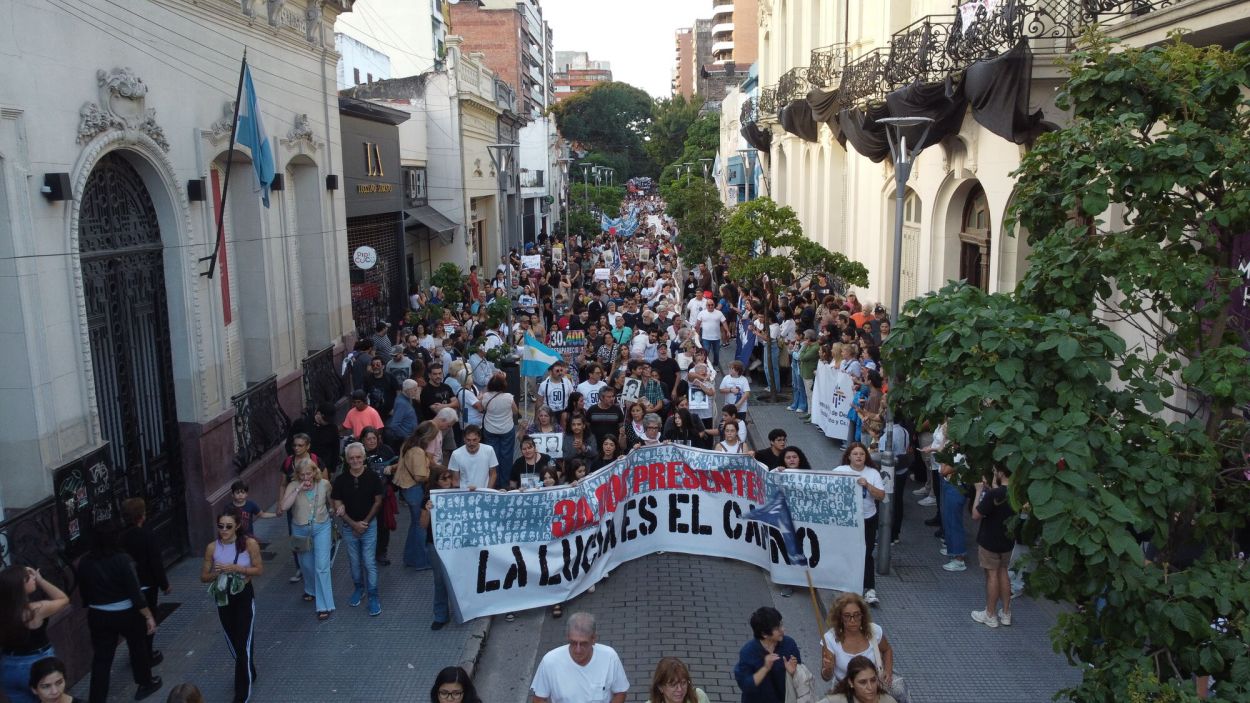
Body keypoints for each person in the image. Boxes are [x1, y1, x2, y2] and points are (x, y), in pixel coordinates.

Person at [77, 520, 161, 702]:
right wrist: (148, 616)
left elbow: (83, 590)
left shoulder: (85, 563)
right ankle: (145, 683)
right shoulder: (122, 560)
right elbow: (135, 592)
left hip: (98, 614)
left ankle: (97, 698)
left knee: (101, 659)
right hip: (127, 613)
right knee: (137, 647)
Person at [199, 509, 262, 703]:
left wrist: (236, 568)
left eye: (228, 526)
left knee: (243, 644)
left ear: (237, 526)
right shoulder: (212, 548)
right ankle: (248, 667)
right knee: (234, 642)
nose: (224, 530)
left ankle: (242, 694)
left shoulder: (249, 544)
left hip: (243, 596)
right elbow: (203, 577)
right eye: (220, 526)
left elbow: (259, 570)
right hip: (223, 598)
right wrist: (218, 573)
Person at [1, 566, 71, 703]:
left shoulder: (3, 612)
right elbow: (63, 599)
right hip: (39, 663)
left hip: (8, 666)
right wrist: (41, 580)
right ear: (19, 586)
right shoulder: (36, 610)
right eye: (28, 578)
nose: (33, 579)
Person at [332, 442, 384, 617]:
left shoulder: (373, 477)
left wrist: (364, 523)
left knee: (369, 562)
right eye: (351, 458)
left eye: (358, 457)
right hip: (349, 527)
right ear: (347, 460)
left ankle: (373, 596)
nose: (355, 460)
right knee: (354, 562)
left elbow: (378, 501)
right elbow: (337, 503)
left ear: (364, 458)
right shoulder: (340, 480)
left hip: (369, 526)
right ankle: (359, 589)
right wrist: (353, 524)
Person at [280, 457, 335, 621]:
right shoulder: (293, 486)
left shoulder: (324, 484)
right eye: (302, 474)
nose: (306, 478)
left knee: (322, 566)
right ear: (297, 474)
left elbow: (332, 503)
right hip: (300, 530)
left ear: (314, 472)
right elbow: (284, 507)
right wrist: (298, 490)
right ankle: (311, 589)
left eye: (308, 474)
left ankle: (325, 604)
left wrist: (335, 509)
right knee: (306, 565)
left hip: (321, 527)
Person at [819, 594, 903, 702]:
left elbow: (887, 650)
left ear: (862, 615)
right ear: (840, 617)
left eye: (857, 615)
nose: (852, 620)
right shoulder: (830, 640)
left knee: (899, 690)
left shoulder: (874, 630)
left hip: (875, 683)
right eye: (847, 616)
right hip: (846, 688)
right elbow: (826, 677)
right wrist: (828, 670)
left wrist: (888, 670)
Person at [531, 612, 629, 703]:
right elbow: (538, 699)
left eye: (583, 644)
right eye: (573, 643)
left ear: (594, 639)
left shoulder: (610, 657)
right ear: (568, 637)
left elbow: (620, 692)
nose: (578, 650)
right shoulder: (550, 661)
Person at [120, 498, 170, 666]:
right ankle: (146, 654)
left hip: (129, 587)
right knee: (149, 620)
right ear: (142, 516)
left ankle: (136, 652)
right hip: (147, 584)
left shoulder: (121, 537)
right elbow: (155, 561)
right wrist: (164, 584)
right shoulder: (146, 535)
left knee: (134, 622)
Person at [835, 443, 886, 606]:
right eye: (855, 454)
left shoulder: (872, 473)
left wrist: (867, 485)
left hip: (867, 519)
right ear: (848, 456)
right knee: (847, 553)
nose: (858, 457)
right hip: (847, 521)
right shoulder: (840, 471)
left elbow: (881, 496)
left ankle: (869, 588)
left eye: (862, 454)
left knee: (866, 553)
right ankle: (847, 586)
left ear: (866, 457)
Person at [971, 465, 1016, 628]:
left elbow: (976, 514)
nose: (994, 473)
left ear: (1002, 473)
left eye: (996, 471)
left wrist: (978, 492)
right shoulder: (1015, 493)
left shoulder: (993, 495)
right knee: (1004, 572)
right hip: (1007, 540)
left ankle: (990, 614)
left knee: (992, 575)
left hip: (989, 540)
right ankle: (1005, 613)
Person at [733, 606, 803, 703]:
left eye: (781, 624)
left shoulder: (789, 644)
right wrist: (765, 668)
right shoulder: (748, 652)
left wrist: (793, 672)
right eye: (777, 628)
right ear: (764, 634)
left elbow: (800, 675)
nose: (783, 629)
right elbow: (746, 686)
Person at [396, 422, 439, 570]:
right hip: (415, 489)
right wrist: (430, 474)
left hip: (406, 488)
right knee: (421, 525)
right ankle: (421, 561)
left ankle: (410, 557)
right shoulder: (418, 451)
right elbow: (420, 476)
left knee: (414, 524)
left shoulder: (408, 444)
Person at [420, 468, 457, 630]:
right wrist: (427, 510)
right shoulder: (428, 499)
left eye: (449, 478)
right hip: (435, 544)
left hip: (456, 544)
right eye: (444, 479)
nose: (448, 482)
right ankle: (441, 615)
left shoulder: (458, 495)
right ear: (436, 481)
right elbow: (422, 525)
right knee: (440, 579)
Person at [475, 373, 517, 489]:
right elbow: (515, 411)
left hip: (490, 429)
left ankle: (494, 483)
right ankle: (505, 483)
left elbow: (482, 409)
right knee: (507, 457)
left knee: (492, 457)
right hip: (507, 429)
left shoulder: (486, 396)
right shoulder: (509, 397)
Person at [816, 656, 898, 703]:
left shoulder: (888, 701)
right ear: (851, 682)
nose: (870, 687)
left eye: (873, 680)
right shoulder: (836, 701)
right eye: (863, 682)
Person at [449, 425, 499, 491]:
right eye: (468, 440)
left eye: (474, 440)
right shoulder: (456, 454)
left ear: (479, 438)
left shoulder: (489, 450)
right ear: (464, 439)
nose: (471, 443)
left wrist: (487, 491)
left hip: (484, 492)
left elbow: (493, 474)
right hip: (464, 493)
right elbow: (455, 480)